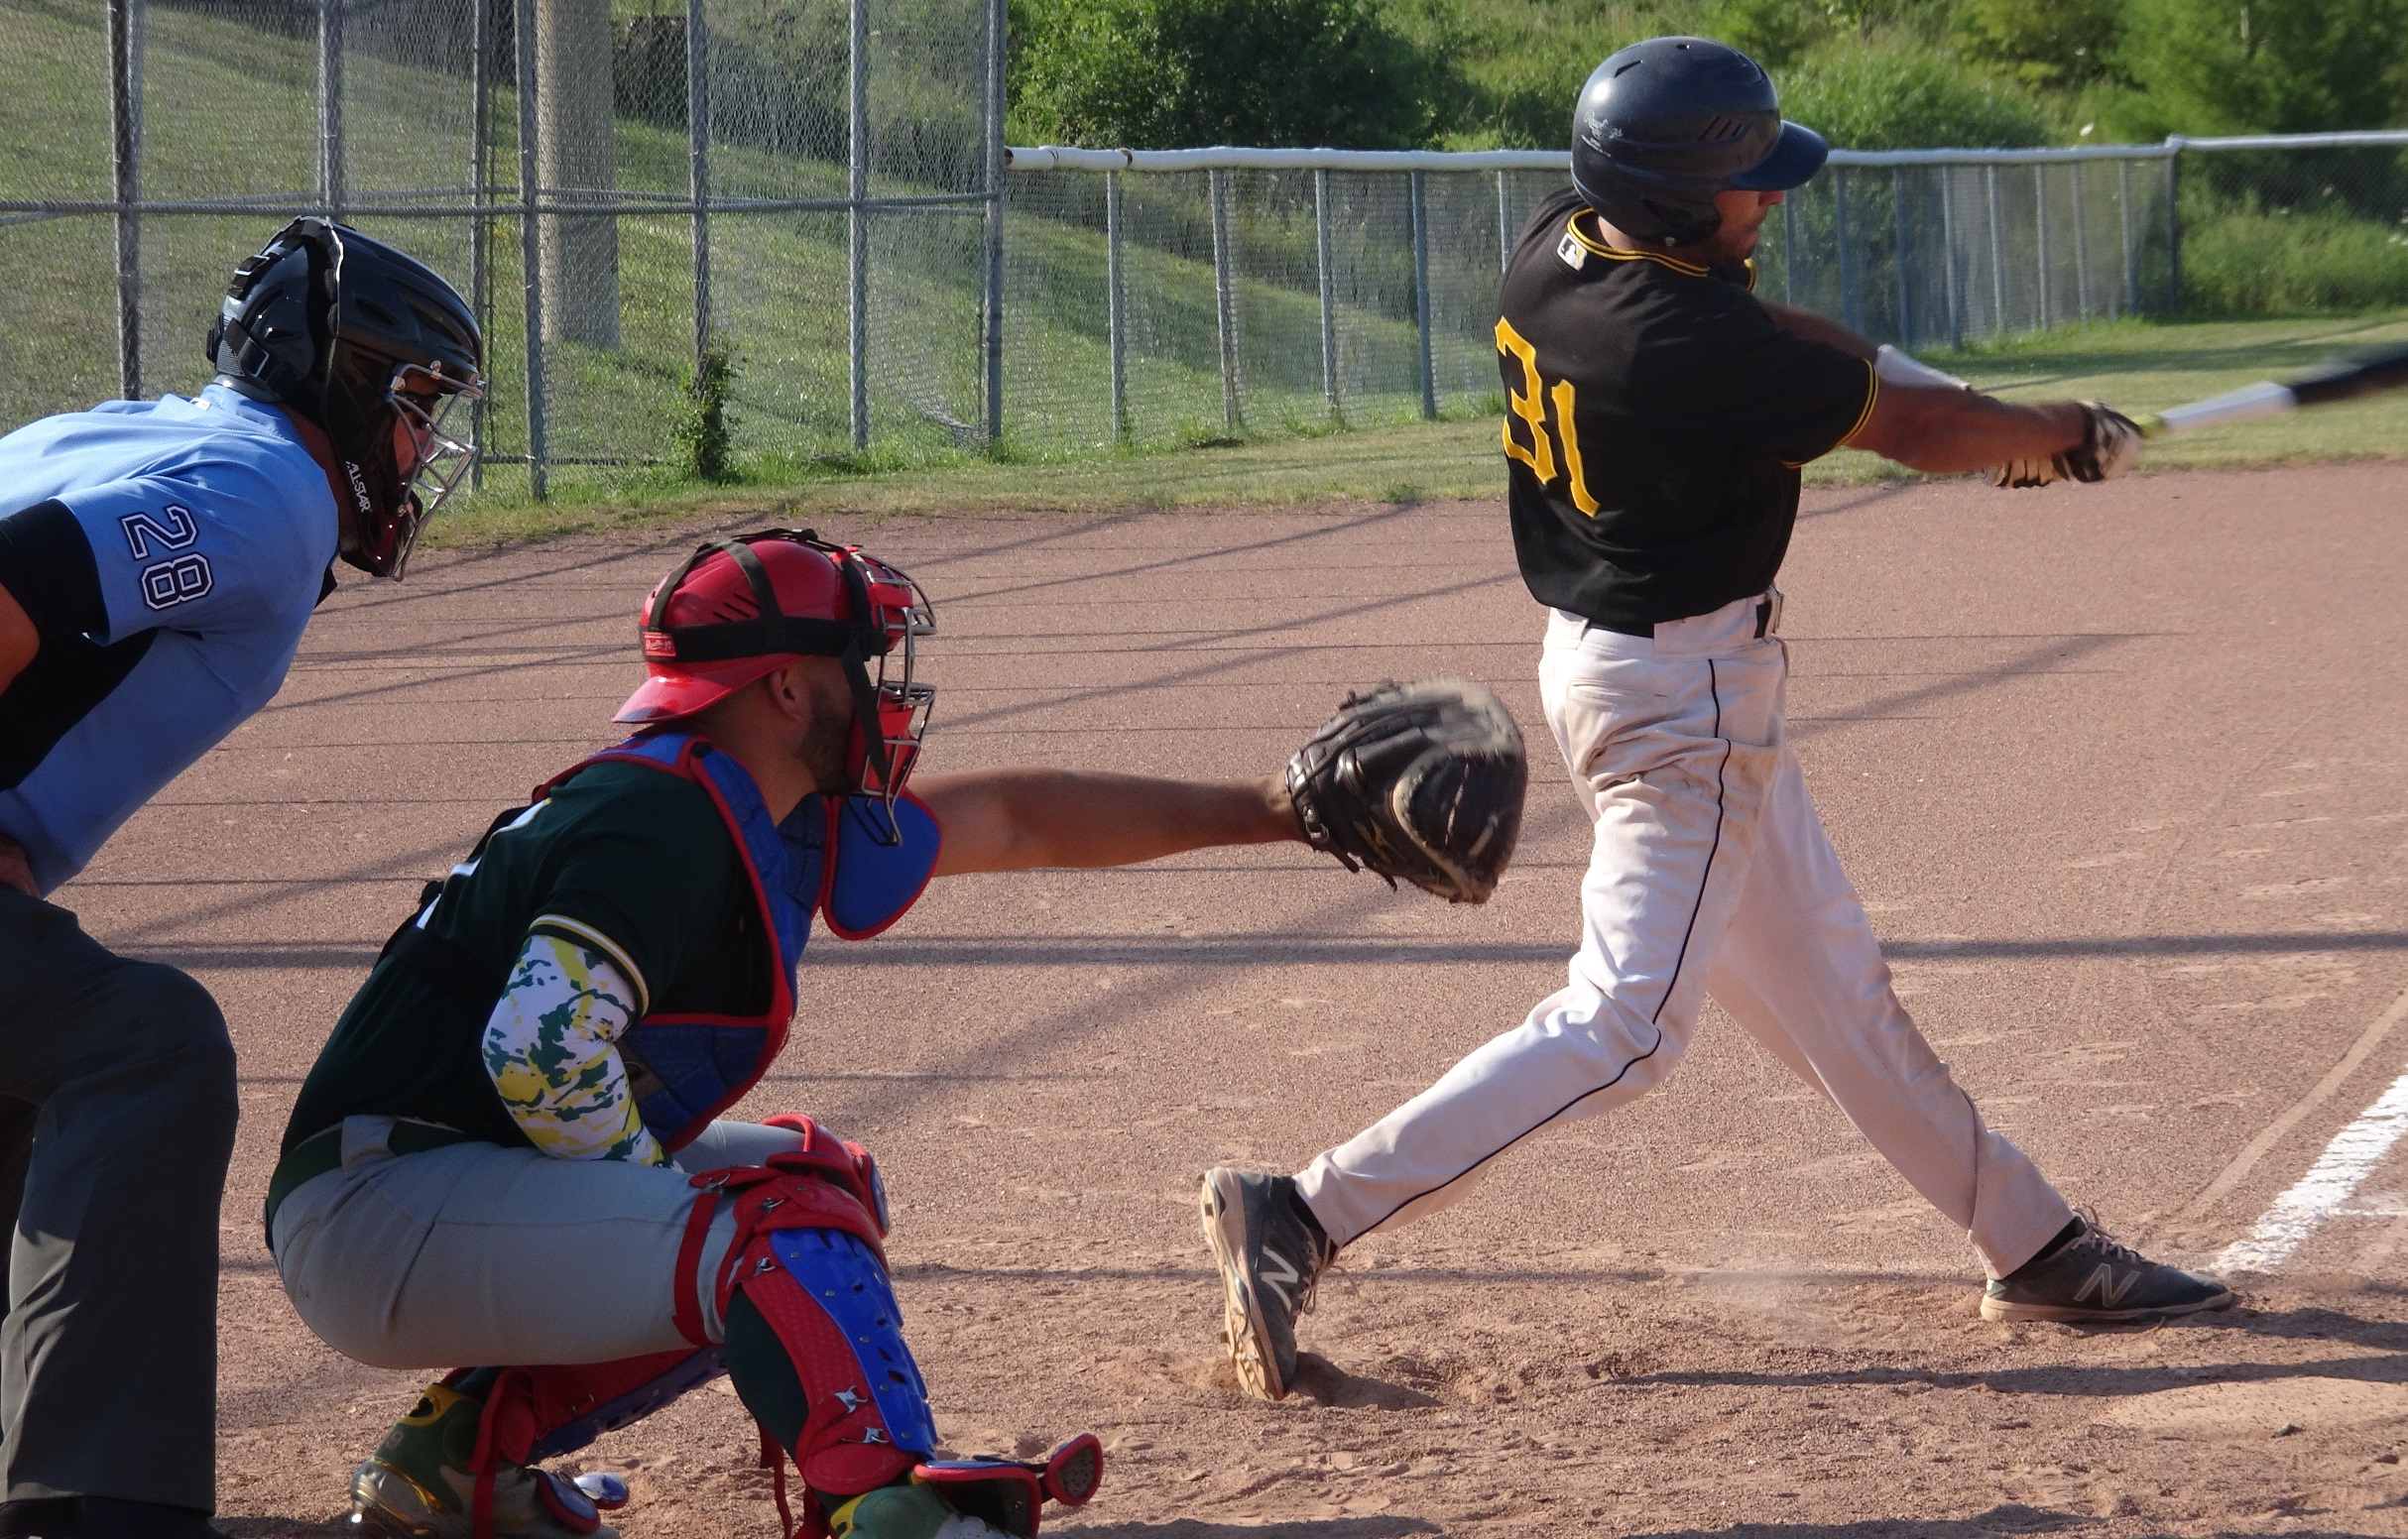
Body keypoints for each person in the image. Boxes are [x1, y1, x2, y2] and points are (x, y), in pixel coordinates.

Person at [1198, 35, 2230, 1403]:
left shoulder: (1564, 247)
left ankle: (2030, 1241)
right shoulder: (1682, 346)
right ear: (1679, 202)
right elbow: (1909, 434)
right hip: (1679, 707)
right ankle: (1306, 1212)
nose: (1773, 196)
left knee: (1837, 994)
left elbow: (1802, 347)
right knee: (1624, 1027)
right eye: (1749, 180)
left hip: (1627, 667)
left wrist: (1995, 417)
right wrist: (2054, 433)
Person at [272, 529, 1457, 1539]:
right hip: (382, 1205)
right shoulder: (661, 815)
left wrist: (1275, 810)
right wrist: (658, 1210)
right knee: (765, 1235)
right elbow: (538, 1048)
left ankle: (457, 1459)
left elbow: (1019, 818)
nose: (884, 688)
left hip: (435, 1183)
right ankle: (883, 1503)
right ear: (788, 688)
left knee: (814, 1187)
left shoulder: (750, 802)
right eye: (859, 659)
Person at [0, 219, 482, 1534]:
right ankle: (96, 1507)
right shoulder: (269, 497)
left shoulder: (118, 429)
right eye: (417, 406)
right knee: (142, 1049)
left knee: (31, 1052)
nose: (422, 449)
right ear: (346, 381)